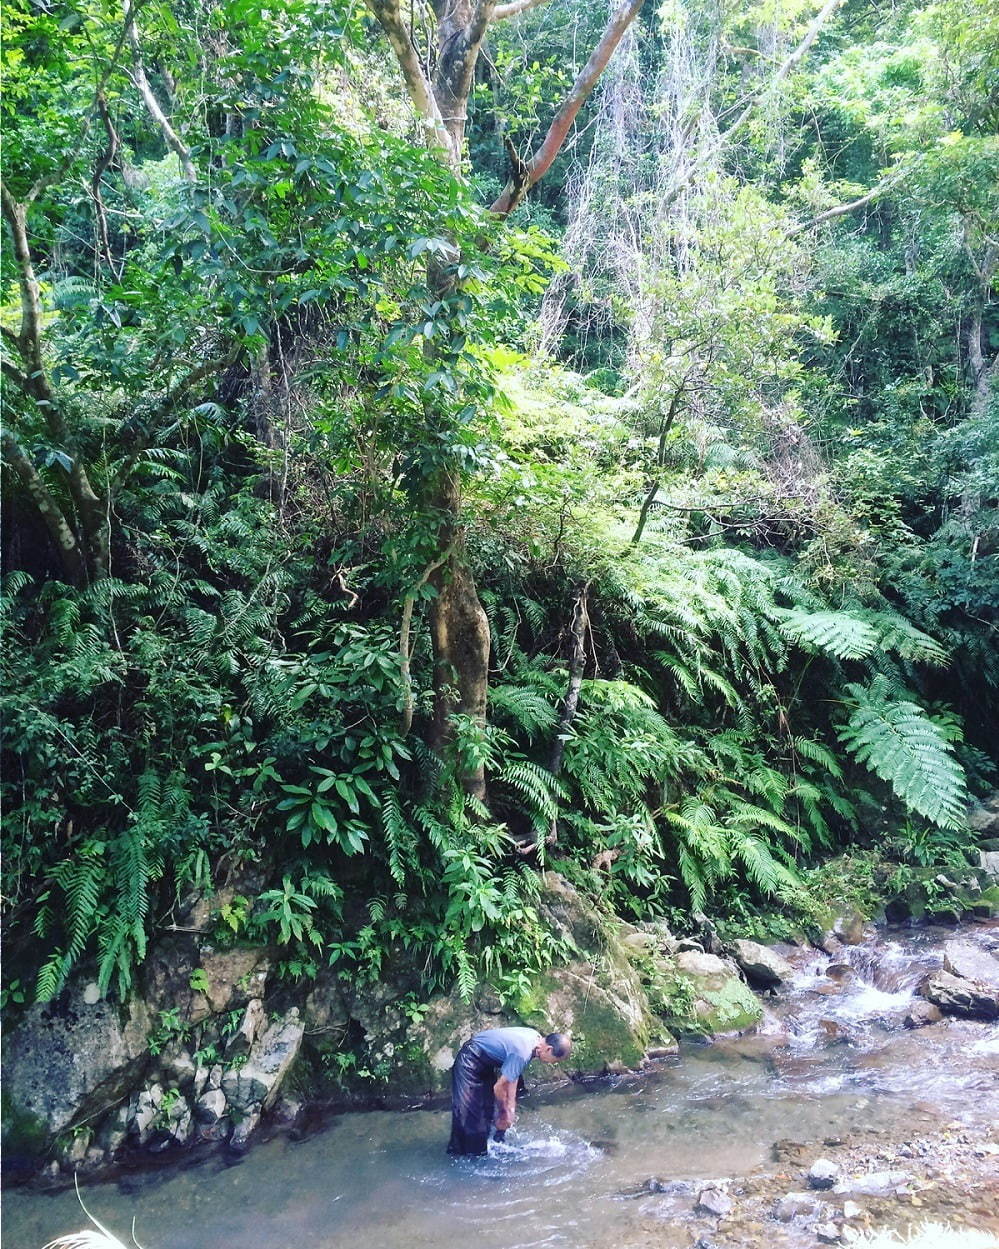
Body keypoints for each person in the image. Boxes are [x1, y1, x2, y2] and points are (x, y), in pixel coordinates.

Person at [447, 1026, 572, 1156]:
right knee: (470, 1116)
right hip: (469, 1061)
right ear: (549, 1049)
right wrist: (504, 1112)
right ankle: (463, 1156)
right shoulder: (524, 1052)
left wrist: (511, 1107)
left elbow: (513, 1074)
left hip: (484, 1063)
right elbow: (499, 1087)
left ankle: (490, 1145)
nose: (551, 1063)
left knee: (487, 1110)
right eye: (555, 1060)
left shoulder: (535, 1038)